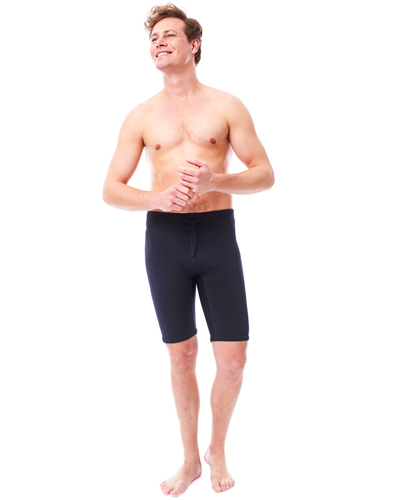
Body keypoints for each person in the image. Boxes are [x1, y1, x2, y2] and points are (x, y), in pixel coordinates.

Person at [103, 3, 274, 496]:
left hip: (218, 235)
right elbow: (110, 189)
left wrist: (216, 180)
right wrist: (156, 198)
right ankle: (189, 460)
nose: (159, 42)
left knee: (233, 360)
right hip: (166, 241)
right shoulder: (140, 116)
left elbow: (265, 174)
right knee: (181, 356)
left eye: (169, 35)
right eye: (153, 37)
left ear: (193, 44)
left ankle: (216, 448)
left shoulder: (227, 106)